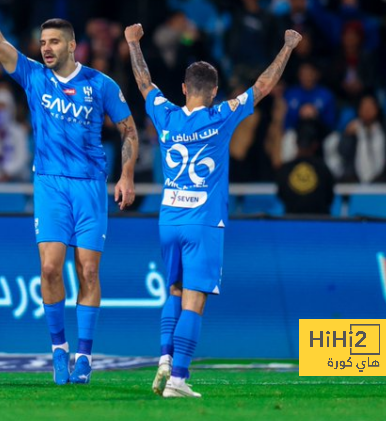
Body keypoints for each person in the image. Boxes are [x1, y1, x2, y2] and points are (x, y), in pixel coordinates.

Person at [0, 0, 139, 385]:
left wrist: (126, 174)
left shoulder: (100, 84)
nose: (46, 48)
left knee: (88, 272)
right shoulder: (34, 76)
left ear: (72, 45)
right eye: (43, 42)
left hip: (90, 185)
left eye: (54, 42)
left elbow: (129, 130)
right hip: (50, 183)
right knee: (51, 268)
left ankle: (86, 357)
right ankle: (58, 350)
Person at [124, 22, 302, 397]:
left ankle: (164, 360)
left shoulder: (166, 114)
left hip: (169, 218)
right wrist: (286, 47)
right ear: (215, 92)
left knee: (173, 290)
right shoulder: (222, 116)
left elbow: (143, 83)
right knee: (194, 298)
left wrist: (133, 44)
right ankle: (179, 380)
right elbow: (264, 86)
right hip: (203, 222)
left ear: (185, 89)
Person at [276, 119, 335, 215]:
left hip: (291, 223)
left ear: (295, 143)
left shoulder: (285, 169)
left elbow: (281, 195)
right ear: (315, 145)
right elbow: (330, 197)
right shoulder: (323, 169)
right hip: (320, 224)